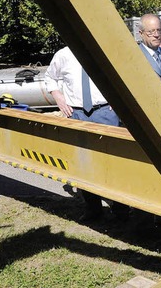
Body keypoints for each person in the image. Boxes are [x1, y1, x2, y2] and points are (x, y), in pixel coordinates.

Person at [44, 46, 128, 221]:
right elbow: (50, 78)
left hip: (105, 112)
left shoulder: (103, 50)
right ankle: (93, 209)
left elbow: (123, 73)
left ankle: (121, 210)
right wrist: (59, 98)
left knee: (112, 161)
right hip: (77, 114)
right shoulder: (64, 55)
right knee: (83, 163)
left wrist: (118, 96)